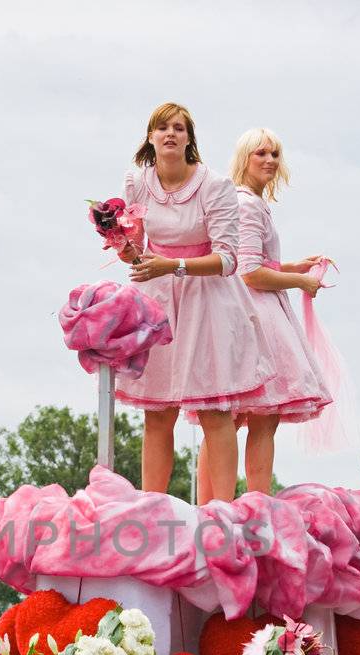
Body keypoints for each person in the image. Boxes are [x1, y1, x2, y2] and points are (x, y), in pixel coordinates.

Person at [114, 101, 273, 503]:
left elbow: (228, 259)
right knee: (158, 411)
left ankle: (221, 508)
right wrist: (120, 243)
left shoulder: (214, 186)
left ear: (189, 139)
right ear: (150, 137)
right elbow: (135, 250)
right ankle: (153, 504)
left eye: (179, 128)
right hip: (157, 300)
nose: (171, 134)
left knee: (214, 411)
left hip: (207, 298)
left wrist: (172, 265)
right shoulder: (136, 182)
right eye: (163, 128)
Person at [192, 127, 332, 500]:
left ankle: (212, 503)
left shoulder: (243, 201)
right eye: (261, 154)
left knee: (229, 418)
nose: (270, 160)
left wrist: (292, 267)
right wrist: (300, 283)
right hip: (259, 318)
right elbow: (250, 272)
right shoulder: (247, 204)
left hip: (246, 313)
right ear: (245, 159)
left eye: (274, 154)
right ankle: (256, 501)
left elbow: (249, 261)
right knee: (258, 419)